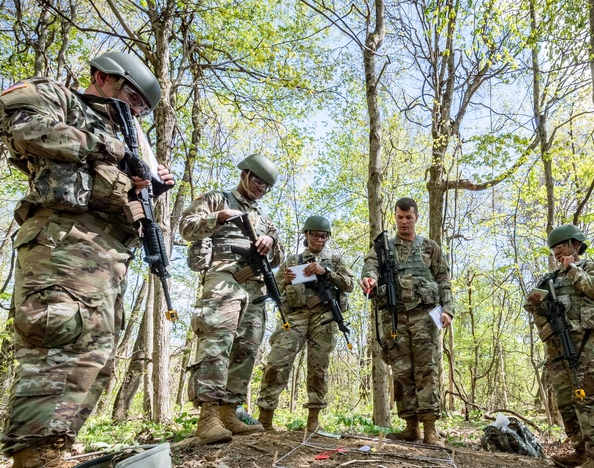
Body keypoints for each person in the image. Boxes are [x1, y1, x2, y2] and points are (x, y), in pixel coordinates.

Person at [0, 51, 176, 468]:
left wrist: (145, 188)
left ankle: (50, 459)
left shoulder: (129, 140)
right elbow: (21, 125)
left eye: (142, 109)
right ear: (102, 77)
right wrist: (112, 149)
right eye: (132, 98)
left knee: (96, 357)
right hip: (63, 240)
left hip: (108, 255)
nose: (135, 112)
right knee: (61, 341)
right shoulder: (58, 98)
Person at [179, 153, 281, 444]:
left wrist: (270, 243)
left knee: (246, 347)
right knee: (217, 339)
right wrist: (218, 217)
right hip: (223, 275)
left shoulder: (265, 219)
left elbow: (279, 256)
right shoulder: (217, 198)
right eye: (258, 181)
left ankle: (229, 412)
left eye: (266, 186)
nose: (261, 188)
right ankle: (208, 416)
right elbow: (185, 226)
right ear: (245, 174)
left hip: (255, 285)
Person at [360, 197, 453, 444]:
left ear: (416, 217)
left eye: (408, 217)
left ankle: (430, 428)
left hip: (425, 314)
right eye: (400, 218)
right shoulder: (384, 248)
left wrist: (448, 310)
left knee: (427, 368)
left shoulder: (430, 247)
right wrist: (369, 278)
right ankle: (411, 426)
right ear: (395, 217)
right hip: (395, 315)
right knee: (402, 370)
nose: (404, 222)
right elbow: (370, 265)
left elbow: (443, 280)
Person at [524, 224, 594, 468]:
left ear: (575, 244)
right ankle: (580, 451)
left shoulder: (590, 268)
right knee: (565, 401)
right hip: (558, 350)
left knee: (589, 400)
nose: (557, 252)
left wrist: (572, 269)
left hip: (586, 349)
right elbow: (531, 305)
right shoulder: (549, 279)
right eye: (553, 249)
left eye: (560, 246)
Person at [256, 215, 355, 431]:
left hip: (324, 317)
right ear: (306, 235)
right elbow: (274, 287)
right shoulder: (292, 261)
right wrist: (289, 280)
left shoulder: (335, 261)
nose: (319, 240)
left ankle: (313, 420)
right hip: (295, 316)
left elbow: (349, 284)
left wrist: (325, 272)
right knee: (277, 361)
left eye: (323, 236)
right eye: (315, 235)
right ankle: (265, 417)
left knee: (318, 367)